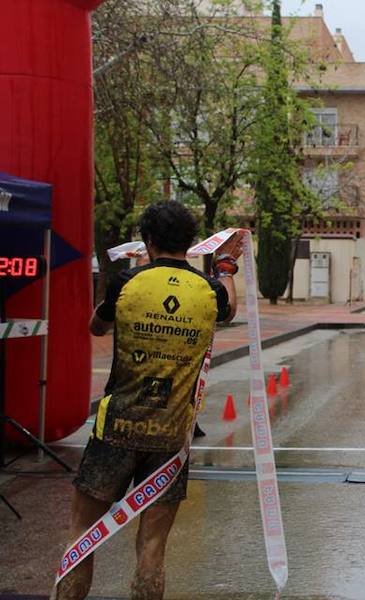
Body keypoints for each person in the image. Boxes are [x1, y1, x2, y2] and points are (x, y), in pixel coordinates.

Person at [57, 201, 236, 600]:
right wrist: (225, 268)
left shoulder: (127, 282)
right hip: (171, 437)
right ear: (190, 244)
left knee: (81, 536)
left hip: (116, 427)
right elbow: (229, 308)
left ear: (148, 240)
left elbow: (96, 327)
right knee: (153, 548)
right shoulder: (207, 291)